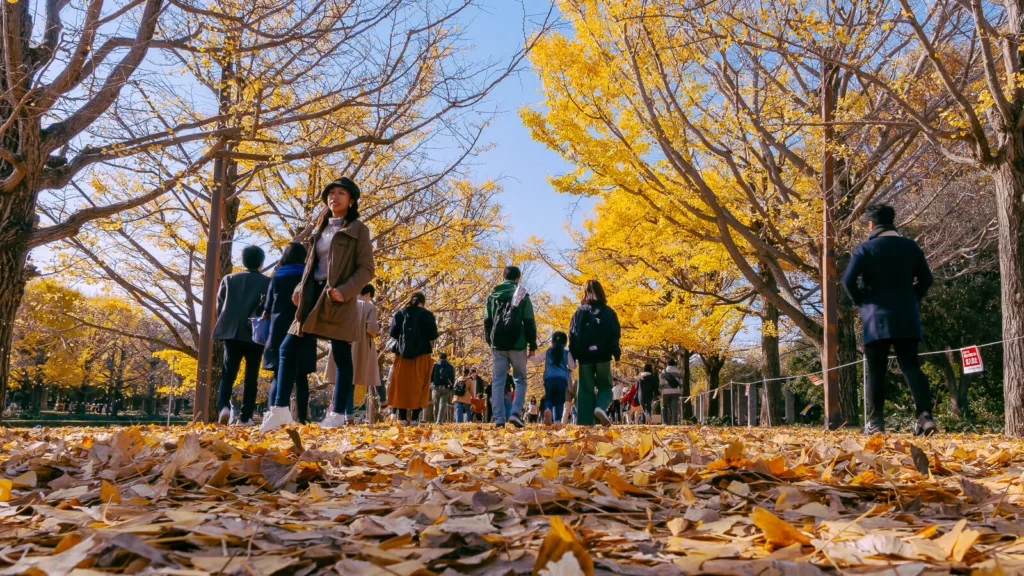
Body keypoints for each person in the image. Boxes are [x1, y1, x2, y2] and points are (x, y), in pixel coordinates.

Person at [285, 176, 375, 429]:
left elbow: (367, 268)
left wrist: (345, 291)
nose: (334, 197)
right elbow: (311, 264)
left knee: (341, 354)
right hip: (312, 295)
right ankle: (279, 408)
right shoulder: (320, 228)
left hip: (337, 297)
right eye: (331, 193)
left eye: (341, 193)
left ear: (352, 200)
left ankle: (337, 414)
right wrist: (300, 287)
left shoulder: (358, 229)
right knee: (287, 346)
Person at [841, 203, 936, 436]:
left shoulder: (865, 249)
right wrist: (912, 298)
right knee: (911, 366)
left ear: (872, 224)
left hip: (875, 318)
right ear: (893, 222)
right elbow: (926, 279)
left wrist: (863, 302)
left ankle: (876, 423)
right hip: (906, 316)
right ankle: (925, 416)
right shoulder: (911, 247)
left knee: (876, 370)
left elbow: (847, 281)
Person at [259, 243, 317, 431]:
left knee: (278, 374)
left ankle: (272, 414)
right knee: (301, 376)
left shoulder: (277, 276)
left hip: (278, 328)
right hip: (302, 326)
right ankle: (302, 418)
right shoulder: (308, 276)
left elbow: (267, 306)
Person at [213, 245, 270, 426]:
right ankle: (245, 417)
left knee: (228, 373)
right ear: (261, 263)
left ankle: (224, 406)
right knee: (251, 377)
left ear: (243, 261)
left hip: (232, 332)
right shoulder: (268, 282)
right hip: (255, 333)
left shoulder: (229, 279)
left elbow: (219, 306)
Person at [484, 266, 538, 428]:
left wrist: (491, 341)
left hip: (498, 344)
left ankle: (499, 419)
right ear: (518, 278)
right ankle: (515, 413)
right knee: (520, 379)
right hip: (518, 343)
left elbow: (487, 321)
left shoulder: (492, 296)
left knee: (498, 381)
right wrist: (532, 345)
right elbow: (529, 322)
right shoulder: (522, 295)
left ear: (503, 277)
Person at [568, 280, 621, 425]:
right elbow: (614, 335)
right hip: (603, 355)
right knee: (605, 386)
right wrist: (617, 356)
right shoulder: (609, 312)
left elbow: (572, 334)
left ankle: (584, 424)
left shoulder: (579, 312)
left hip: (584, 357)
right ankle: (600, 407)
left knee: (585, 389)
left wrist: (572, 354)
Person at [387, 292, 439, 425]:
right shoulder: (427, 314)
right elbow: (433, 335)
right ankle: (415, 418)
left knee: (401, 385)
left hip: (401, 355)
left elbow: (392, 333)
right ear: (423, 302)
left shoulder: (400, 313)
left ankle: (402, 418)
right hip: (422, 355)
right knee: (421, 384)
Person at [352, 284, 381, 422]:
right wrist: (377, 328)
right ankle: (354, 413)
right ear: (368, 294)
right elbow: (371, 328)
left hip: (345, 343)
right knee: (359, 378)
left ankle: (344, 413)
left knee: (346, 380)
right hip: (361, 345)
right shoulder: (369, 307)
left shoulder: (348, 303)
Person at [541, 330, 574, 425]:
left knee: (549, 398)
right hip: (561, 380)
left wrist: (530, 357)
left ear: (552, 341)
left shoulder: (547, 352)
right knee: (559, 401)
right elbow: (572, 366)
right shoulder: (566, 353)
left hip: (549, 379)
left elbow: (537, 360)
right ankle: (557, 420)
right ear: (565, 343)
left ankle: (548, 409)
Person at [431, 353, 456, 424]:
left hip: (436, 387)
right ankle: (439, 421)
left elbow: (431, 376)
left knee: (435, 404)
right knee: (443, 405)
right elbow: (452, 378)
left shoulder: (435, 366)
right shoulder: (450, 367)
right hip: (446, 388)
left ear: (439, 357)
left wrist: (431, 384)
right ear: (446, 358)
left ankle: (435, 420)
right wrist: (451, 387)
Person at [660, 359, 682, 426]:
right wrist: (680, 392)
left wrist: (660, 391)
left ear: (667, 364)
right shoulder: (678, 372)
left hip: (666, 392)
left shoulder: (663, 372)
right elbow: (681, 383)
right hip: (675, 392)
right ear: (674, 364)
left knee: (664, 406)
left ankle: (664, 422)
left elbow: (661, 383)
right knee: (674, 408)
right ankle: (673, 423)